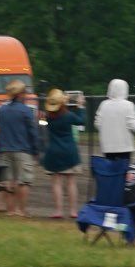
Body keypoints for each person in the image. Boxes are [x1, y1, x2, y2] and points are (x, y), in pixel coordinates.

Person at [0, 79, 39, 217]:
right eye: (24, 92)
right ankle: (22, 210)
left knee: (8, 181)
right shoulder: (25, 111)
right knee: (24, 181)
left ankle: (10, 210)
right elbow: (32, 132)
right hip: (22, 150)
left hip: (4, 149)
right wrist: (36, 150)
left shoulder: (1, 110)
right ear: (20, 94)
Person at [40, 88, 86, 219]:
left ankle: (58, 211)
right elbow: (81, 121)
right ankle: (73, 211)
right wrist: (80, 106)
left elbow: (42, 123)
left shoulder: (47, 117)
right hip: (69, 151)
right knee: (71, 182)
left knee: (56, 183)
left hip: (53, 151)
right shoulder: (69, 116)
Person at [95, 78, 135, 160]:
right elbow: (134, 127)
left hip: (107, 147)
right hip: (125, 146)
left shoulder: (103, 105)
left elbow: (97, 124)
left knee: (110, 171)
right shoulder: (128, 105)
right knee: (122, 170)